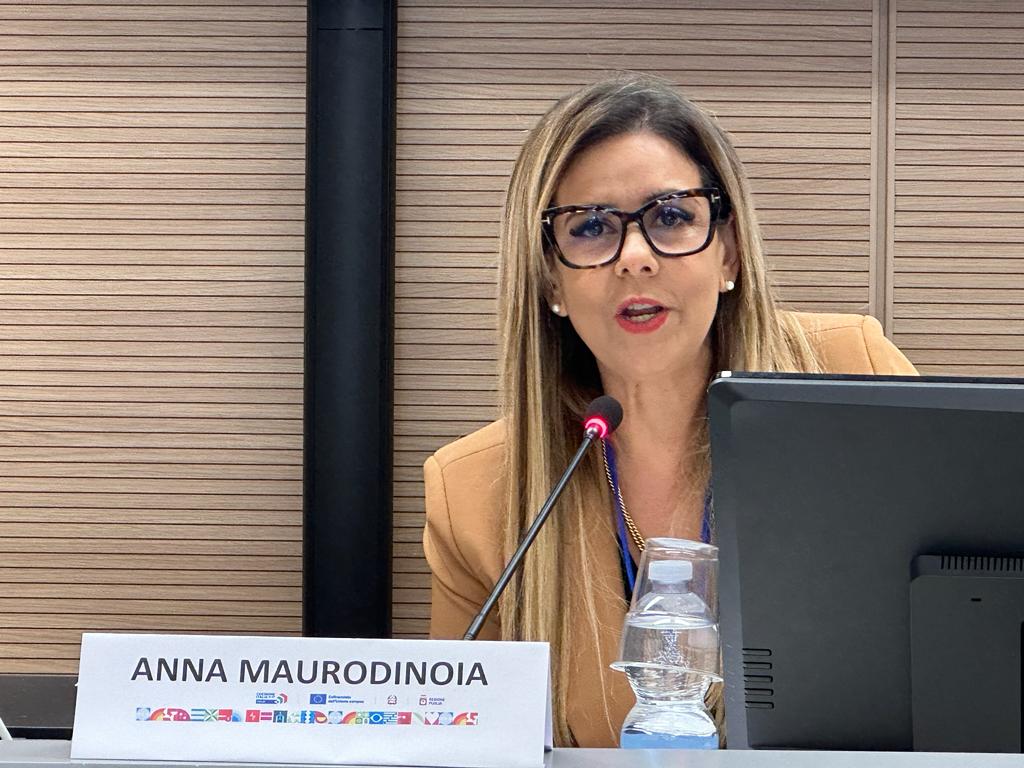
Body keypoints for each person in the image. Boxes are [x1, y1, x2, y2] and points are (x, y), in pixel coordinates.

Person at [422, 74, 917, 748]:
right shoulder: (474, 493)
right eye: (591, 227)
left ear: (729, 251)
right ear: (550, 280)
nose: (635, 258)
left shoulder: (851, 376)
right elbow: (461, 746)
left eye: (671, 217)